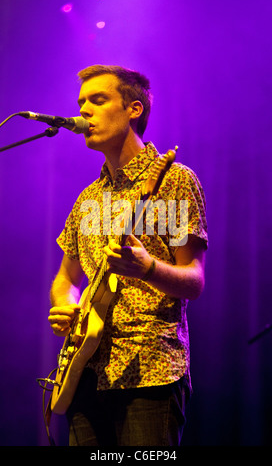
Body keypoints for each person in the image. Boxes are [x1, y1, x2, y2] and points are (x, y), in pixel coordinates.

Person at [48, 65, 208, 446]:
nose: (84, 110)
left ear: (133, 109)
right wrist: (64, 305)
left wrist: (147, 268)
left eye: (97, 100)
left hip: (149, 372)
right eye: (81, 102)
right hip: (84, 370)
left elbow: (195, 280)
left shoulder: (174, 180)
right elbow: (66, 278)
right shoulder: (87, 198)